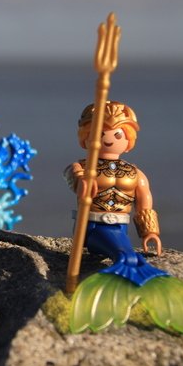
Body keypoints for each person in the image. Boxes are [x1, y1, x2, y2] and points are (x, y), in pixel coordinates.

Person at [64, 101, 167, 286]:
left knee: (125, 251)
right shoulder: (82, 167)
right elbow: (74, 178)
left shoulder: (135, 173)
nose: (109, 139)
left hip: (120, 226)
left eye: (118, 134)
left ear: (128, 140)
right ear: (86, 137)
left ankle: (128, 268)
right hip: (91, 227)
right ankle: (126, 269)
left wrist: (150, 231)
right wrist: (82, 182)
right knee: (124, 253)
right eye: (100, 134)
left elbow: (144, 200)